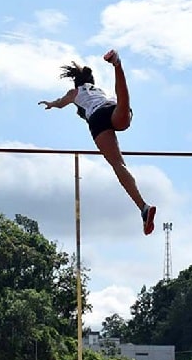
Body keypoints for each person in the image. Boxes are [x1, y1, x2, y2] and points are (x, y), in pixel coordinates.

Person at [39, 49, 157, 235]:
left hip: (97, 119)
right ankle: (117, 66)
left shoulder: (75, 91)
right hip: (112, 108)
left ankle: (143, 206)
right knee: (123, 103)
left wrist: (52, 104)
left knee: (118, 165)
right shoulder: (98, 90)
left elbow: (61, 102)